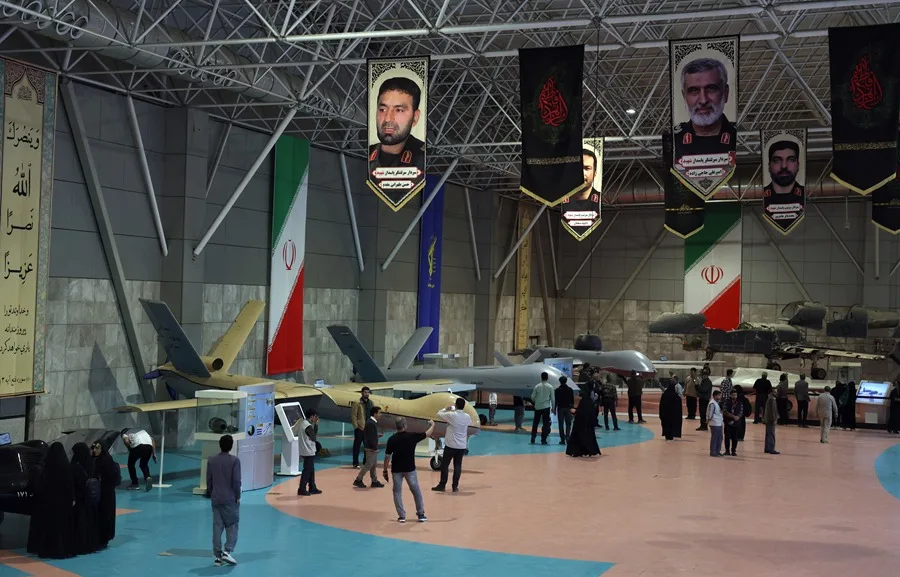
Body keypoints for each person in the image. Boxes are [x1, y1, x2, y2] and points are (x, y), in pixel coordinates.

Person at [368, 76, 425, 204]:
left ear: (415, 117)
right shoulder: (365, 153)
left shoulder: (424, 158)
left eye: (399, 110)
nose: (388, 118)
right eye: (382, 110)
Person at [673, 57, 737, 157]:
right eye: (694, 91)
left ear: (726, 93)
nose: (703, 100)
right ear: (684, 96)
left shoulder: (739, 135)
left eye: (711, 89)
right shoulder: (672, 140)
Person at [27, 442, 74, 559]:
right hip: (64, 503)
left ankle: (49, 549)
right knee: (63, 527)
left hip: (50, 503)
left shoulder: (48, 467)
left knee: (50, 527)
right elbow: (70, 486)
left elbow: (42, 486)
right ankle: (63, 549)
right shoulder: (67, 467)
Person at [383, 417, 433, 523]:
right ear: (405, 425)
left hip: (396, 469)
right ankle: (420, 514)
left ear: (396, 426)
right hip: (410, 469)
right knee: (416, 491)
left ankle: (402, 516)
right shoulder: (412, 436)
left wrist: (385, 470)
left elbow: (387, 456)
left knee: (397, 492)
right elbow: (427, 434)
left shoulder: (391, 439)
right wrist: (433, 425)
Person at [206, 434, 241, 567]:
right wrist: (237, 496)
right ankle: (227, 550)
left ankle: (217, 556)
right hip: (230, 498)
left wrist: (211, 492)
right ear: (231, 446)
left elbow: (209, 479)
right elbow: (236, 481)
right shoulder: (235, 461)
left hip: (216, 498)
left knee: (217, 527)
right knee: (232, 525)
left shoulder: (211, 460)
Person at [763, 140, 806, 232]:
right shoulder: (761, 197)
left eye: (791, 160)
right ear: (769, 166)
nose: (784, 166)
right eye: (777, 160)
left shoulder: (806, 196)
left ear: (798, 165)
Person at [433, 397, 473, 492]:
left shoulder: (452, 415)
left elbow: (439, 414)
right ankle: (455, 486)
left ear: (456, 405)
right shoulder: (467, 417)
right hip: (461, 446)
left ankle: (442, 485)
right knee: (457, 466)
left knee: (445, 465)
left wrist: (445, 408)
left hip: (451, 445)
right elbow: (470, 422)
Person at [70, 442, 102, 555]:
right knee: (91, 522)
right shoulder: (92, 463)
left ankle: (80, 546)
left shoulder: (75, 466)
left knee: (81, 523)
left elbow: (73, 483)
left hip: (80, 500)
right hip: (91, 498)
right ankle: (92, 544)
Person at [91, 441, 121, 548]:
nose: (95, 450)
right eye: (93, 448)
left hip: (106, 493)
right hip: (96, 492)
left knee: (106, 514)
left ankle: (104, 537)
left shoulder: (107, 461)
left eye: (97, 448)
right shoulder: (93, 460)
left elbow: (113, 477)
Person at [565, 384, 601, 458]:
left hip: (580, 422)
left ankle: (577, 451)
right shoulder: (590, 402)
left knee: (578, 436)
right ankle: (589, 450)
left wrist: (575, 411)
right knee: (588, 437)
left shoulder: (584, 400)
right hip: (588, 424)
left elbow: (581, 411)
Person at [354, 406, 385, 489]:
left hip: (371, 447)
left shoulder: (371, 422)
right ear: (375, 413)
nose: (380, 414)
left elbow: (370, 435)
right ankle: (358, 479)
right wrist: (375, 448)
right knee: (368, 465)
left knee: (373, 465)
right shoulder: (371, 423)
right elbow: (370, 438)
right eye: (379, 413)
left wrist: (376, 435)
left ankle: (374, 481)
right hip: (371, 448)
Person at [293, 409, 322, 496]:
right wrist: (316, 425)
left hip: (306, 450)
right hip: (308, 450)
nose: (316, 418)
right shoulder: (308, 426)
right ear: (312, 416)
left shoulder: (303, 423)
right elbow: (314, 437)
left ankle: (312, 487)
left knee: (311, 470)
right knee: (307, 470)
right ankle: (301, 489)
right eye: (315, 416)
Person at [350, 386, 373, 468]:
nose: (367, 394)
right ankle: (355, 463)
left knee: (367, 447)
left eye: (368, 392)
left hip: (368, 428)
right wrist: (356, 427)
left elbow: (372, 415)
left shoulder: (371, 403)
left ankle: (365, 462)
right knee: (357, 446)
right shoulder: (357, 403)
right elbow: (353, 415)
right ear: (362, 393)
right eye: (365, 392)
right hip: (360, 428)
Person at [530, 371, 555, 444]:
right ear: (547, 378)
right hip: (546, 407)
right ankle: (543, 439)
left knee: (535, 422)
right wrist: (553, 408)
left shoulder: (537, 386)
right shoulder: (550, 387)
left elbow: (532, 397)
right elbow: (552, 398)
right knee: (545, 424)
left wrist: (536, 401)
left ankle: (533, 437)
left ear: (541, 378)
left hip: (537, 407)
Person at [722, 388, 744, 456]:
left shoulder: (739, 403)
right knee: (727, 437)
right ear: (730, 395)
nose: (734, 396)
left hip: (736, 423)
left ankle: (733, 451)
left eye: (735, 395)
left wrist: (736, 418)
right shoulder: (726, 402)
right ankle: (727, 450)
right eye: (733, 395)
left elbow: (741, 412)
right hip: (728, 422)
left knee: (735, 437)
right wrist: (732, 417)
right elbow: (725, 411)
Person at [555, 375, 575, 444]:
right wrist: (572, 407)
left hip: (560, 408)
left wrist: (554, 408)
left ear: (560, 381)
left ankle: (562, 439)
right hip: (568, 408)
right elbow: (572, 400)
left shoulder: (557, 390)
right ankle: (567, 437)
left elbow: (556, 400)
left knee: (561, 424)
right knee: (568, 423)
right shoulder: (570, 390)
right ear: (566, 381)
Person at [707, 391, 724, 457]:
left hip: (719, 422)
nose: (720, 397)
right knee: (715, 438)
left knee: (720, 438)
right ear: (714, 396)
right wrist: (708, 420)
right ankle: (713, 451)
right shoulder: (712, 403)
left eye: (720, 395)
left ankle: (717, 451)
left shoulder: (717, 403)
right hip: (714, 423)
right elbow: (710, 413)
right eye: (719, 395)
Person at [764, 389, 779, 455]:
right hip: (771, 420)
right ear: (771, 392)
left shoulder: (769, 398)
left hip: (767, 419)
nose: (776, 393)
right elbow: (772, 411)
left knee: (768, 434)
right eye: (775, 392)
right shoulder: (772, 399)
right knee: (772, 434)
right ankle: (772, 449)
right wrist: (774, 419)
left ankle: (767, 448)